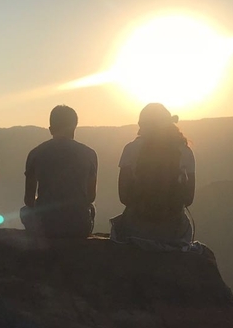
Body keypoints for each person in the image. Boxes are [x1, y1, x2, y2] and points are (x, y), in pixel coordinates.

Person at [112, 103, 195, 244]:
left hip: (136, 227)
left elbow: (124, 196)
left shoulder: (131, 149)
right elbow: (188, 199)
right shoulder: (185, 152)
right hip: (174, 229)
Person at [20, 105, 97, 238]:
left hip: (45, 224)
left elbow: (29, 200)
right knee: (91, 208)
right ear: (74, 127)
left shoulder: (35, 154)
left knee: (25, 211)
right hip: (78, 225)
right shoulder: (89, 154)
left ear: (50, 129)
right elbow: (90, 197)